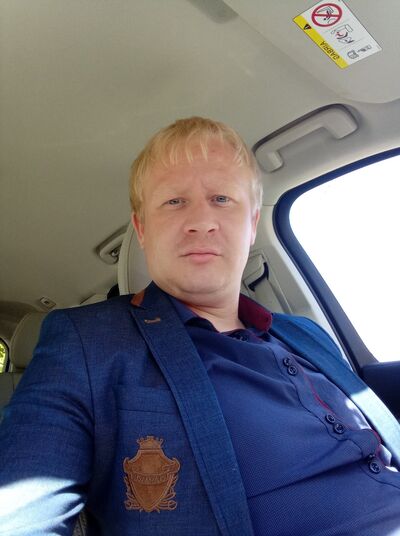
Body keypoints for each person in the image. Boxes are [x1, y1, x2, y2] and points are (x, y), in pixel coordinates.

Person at [0, 117, 399, 536]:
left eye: (222, 199)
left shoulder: (306, 333)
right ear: (142, 229)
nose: (202, 221)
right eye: (175, 201)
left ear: (251, 225)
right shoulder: (87, 342)